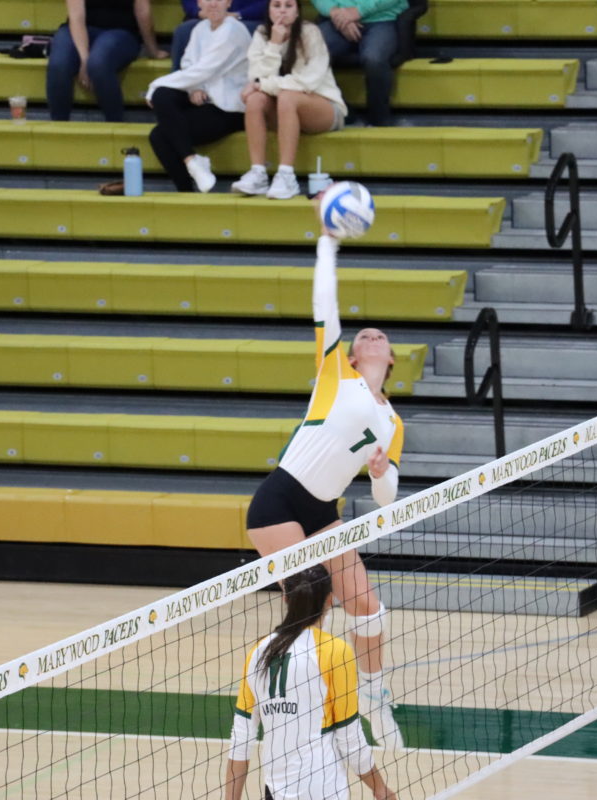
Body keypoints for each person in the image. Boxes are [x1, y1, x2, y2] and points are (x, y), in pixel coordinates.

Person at [245, 234, 404, 749]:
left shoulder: (393, 422)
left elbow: (387, 500)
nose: (371, 336)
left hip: (322, 512)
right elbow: (324, 305)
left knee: (366, 607)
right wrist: (326, 245)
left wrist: (380, 471)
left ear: (391, 358)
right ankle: (298, 703)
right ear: (354, 355)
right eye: (364, 335)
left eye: (380, 335)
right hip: (277, 503)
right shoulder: (334, 373)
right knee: (308, 604)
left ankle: (375, 700)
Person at [225, 566, 396, 800]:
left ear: (285, 597)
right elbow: (350, 738)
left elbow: (241, 739)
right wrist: (379, 787)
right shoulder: (335, 652)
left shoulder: (259, 652)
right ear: (330, 599)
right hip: (323, 790)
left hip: (276, 792)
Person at [231, 0, 347, 199]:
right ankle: (258, 173)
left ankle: (286, 175)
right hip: (285, 110)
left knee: (287, 97)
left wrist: (263, 84)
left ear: (297, 11)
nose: (282, 11)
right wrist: (274, 44)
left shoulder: (310, 32)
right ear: (268, 10)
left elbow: (307, 82)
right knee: (255, 100)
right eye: (276, 5)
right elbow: (257, 75)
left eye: (288, 5)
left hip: (324, 108)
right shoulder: (261, 33)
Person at [145, 0, 252, 192]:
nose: (212, 4)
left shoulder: (233, 31)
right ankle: (192, 165)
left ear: (228, 3)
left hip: (228, 108)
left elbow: (205, 69)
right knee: (162, 98)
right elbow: (189, 64)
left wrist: (155, 84)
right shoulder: (200, 28)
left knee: (160, 135)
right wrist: (195, 88)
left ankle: (189, 177)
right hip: (205, 99)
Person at [46, 0, 167, 122]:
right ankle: (59, 124)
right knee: (59, 63)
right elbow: (76, 17)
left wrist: (153, 50)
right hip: (78, 29)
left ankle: (115, 124)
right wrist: (84, 58)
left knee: (99, 63)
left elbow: (143, 11)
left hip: (121, 31)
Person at [311, 0, 405, 127]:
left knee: (374, 59)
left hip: (382, 19)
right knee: (310, 51)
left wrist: (358, 11)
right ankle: (342, 110)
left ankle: (379, 121)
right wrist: (336, 13)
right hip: (336, 20)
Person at [170, 0, 264, 70]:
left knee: (231, 29)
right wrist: (199, 12)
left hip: (246, 19)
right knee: (183, 31)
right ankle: (178, 81)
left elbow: (267, 4)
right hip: (204, 16)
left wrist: (238, 15)